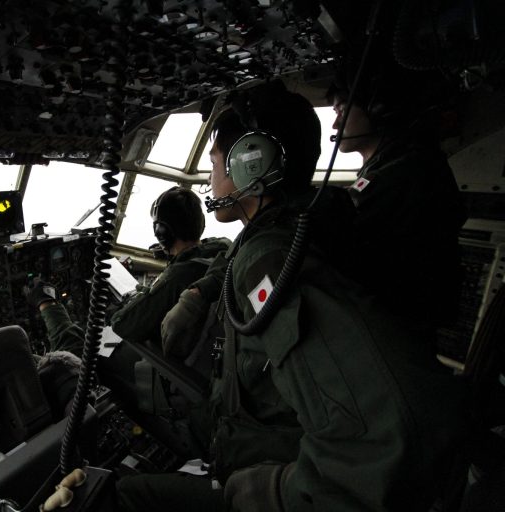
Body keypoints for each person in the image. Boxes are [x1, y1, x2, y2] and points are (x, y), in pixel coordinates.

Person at [117, 80, 464, 512]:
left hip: (274, 467)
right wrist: (202, 290)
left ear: (251, 163)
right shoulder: (310, 221)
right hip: (259, 437)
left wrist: (275, 493)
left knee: (120, 496)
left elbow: (385, 435)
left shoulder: (271, 256)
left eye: (215, 162)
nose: (210, 176)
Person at [328, 69, 467, 338]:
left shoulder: (405, 171)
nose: (336, 125)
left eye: (342, 111)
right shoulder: (399, 163)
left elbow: (345, 233)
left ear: (379, 109)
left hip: (396, 326)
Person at [26, 186, 230, 358]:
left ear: (162, 232)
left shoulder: (178, 276)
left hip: (165, 368)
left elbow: (122, 325)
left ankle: (48, 305)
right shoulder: (219, 249)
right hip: (205, 352)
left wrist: (121, 308)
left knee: (82, 349)